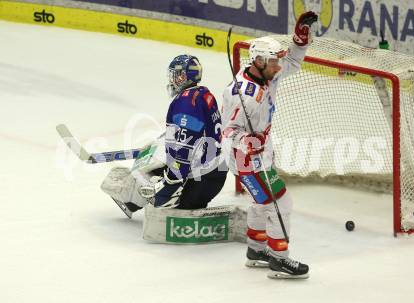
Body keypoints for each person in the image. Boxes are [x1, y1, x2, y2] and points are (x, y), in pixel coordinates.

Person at [221, 11, 318, 279]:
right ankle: (278, 259)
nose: (279, 68)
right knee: (281, 201)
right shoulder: (241, 94)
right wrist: (246, 141)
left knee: (262, 202)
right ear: (259, 61)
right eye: (274, 63)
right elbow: (226, 133)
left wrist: (300, 41)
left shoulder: (268, 73)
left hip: (261, 152)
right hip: (246, 159)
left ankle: (255, 251)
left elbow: (294, 64)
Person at [102, 54, 226, 217]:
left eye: (176, 74)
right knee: (158, 150)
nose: (173, 79)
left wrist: (168, 186)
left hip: (201, 181)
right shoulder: (202, 93)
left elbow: (183, 151)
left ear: (184, 76)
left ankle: (132, 202)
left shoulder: (186, 104)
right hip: (216, 170)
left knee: (145, 174)